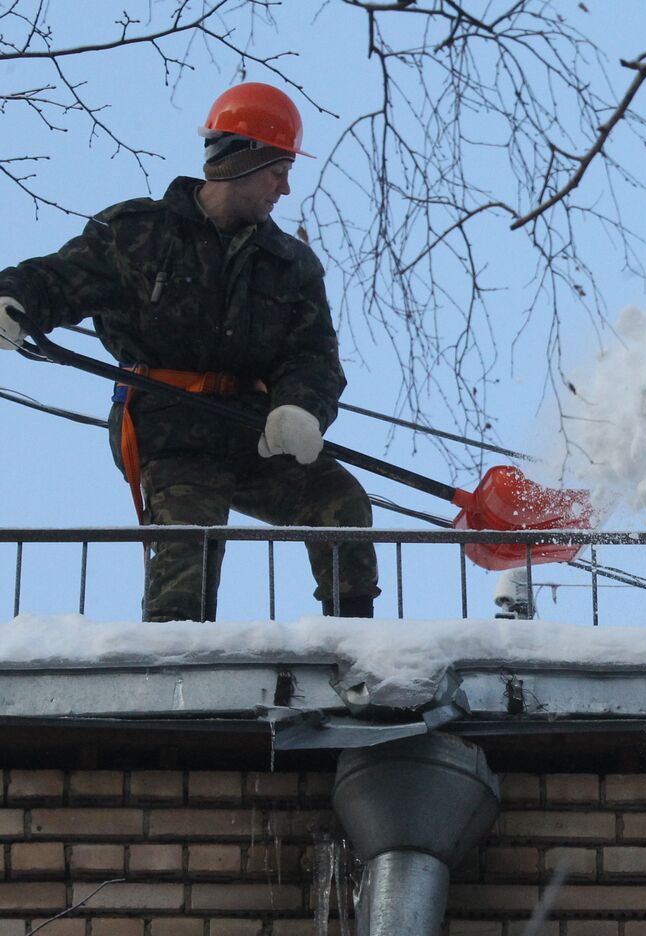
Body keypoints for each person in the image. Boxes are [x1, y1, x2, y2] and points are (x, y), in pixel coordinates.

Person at [0, 82, 379, 622]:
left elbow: (313, 357)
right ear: (242, 163)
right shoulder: (138, 235)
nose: (286, 189)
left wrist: (301, 409)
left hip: (253, 434)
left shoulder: (291, 265)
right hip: (169, 434)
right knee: (189, 546)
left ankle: (355, 644)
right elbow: (58, 279)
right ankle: (173, 668)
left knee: (342, 503)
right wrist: (13, 300)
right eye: (279, 171)